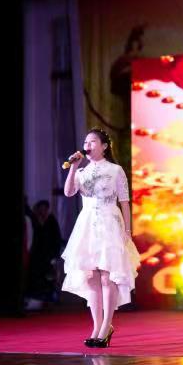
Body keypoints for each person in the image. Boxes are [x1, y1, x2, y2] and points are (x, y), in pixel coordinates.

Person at [61, 128, 140, 348]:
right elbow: (68, 192)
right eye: (86, 142)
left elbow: (124, 202)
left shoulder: (115, 170)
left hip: (109, 223)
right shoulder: (81, 171)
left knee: (107, 276)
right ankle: (96, 327)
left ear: (104, 146)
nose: (88, 145)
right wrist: (74, 167)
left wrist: (127, 230)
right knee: (91, 278)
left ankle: (106, 325)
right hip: (87, 224)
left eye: (93, 141)